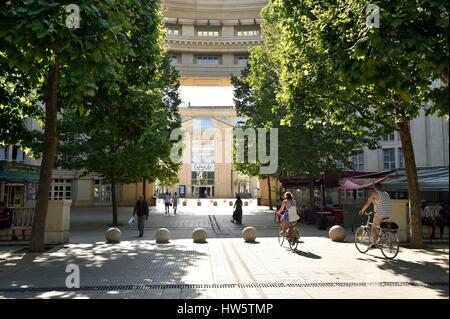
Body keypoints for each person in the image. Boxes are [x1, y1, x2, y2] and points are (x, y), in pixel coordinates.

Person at [359, 183, 392, 248]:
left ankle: (373, 243)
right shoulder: (386, 193)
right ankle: (381, 240)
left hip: (381, 213)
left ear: (375, 188)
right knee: (382, 227)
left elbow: (367, 203)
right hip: (388, 213)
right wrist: (374, 202)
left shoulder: (375, 193)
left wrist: (362, 210)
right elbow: (378, 203)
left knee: (373, 228)